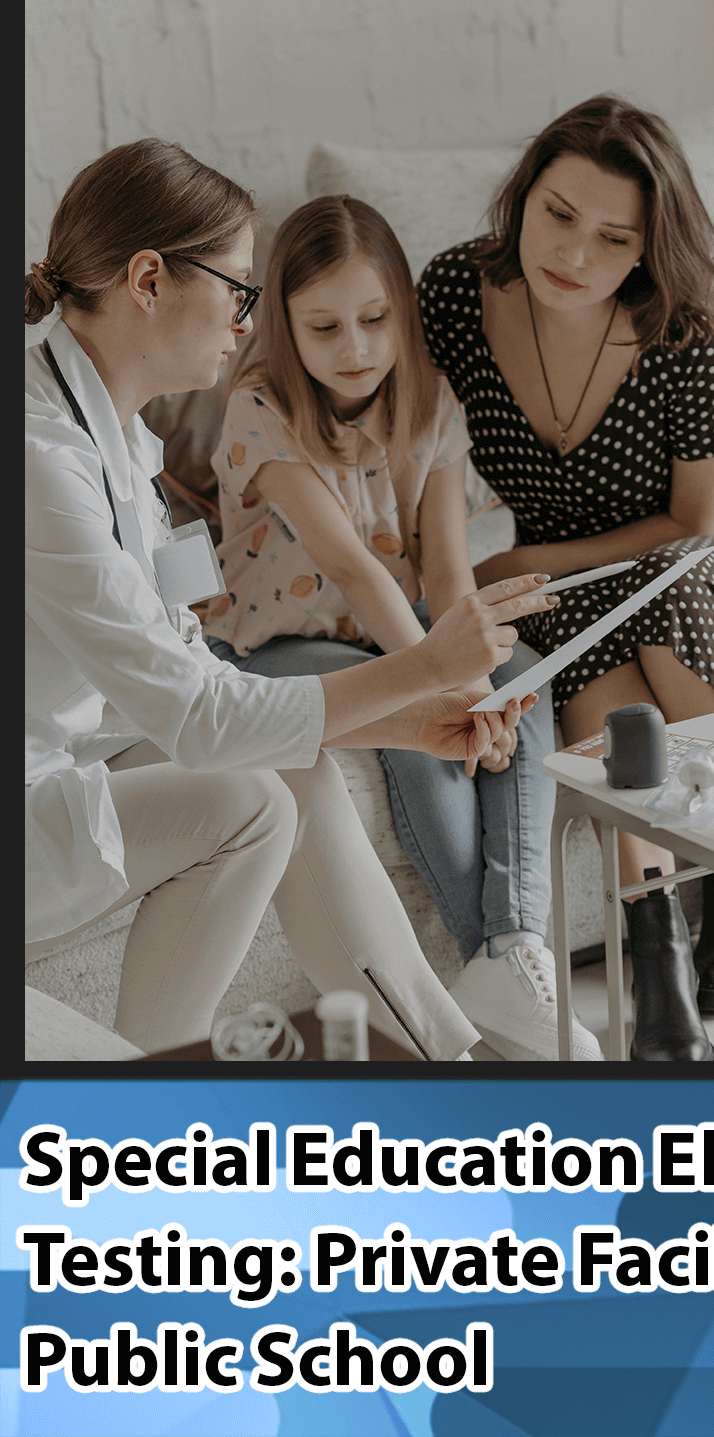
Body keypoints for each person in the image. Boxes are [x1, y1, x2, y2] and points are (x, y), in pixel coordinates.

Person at [25, 138, 559, 1060]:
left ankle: (450, 1059)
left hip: (76, 741)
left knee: (294, 774)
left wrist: (412, 718)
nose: (244, 320)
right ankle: (157, 1090)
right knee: (252, 805)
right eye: (239, 289)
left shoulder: (117, 428)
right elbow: (199, 715)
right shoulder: (43, 460)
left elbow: (188, 671)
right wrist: (426, 665)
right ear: (148, 279)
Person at [201, 194, 600, 1062]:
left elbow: (450, 572)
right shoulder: (259, 408)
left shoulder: (431, 403)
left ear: (403, 314)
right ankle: (479, 949)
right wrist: (443, 680)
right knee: (418, 724)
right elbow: (350, 565)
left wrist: (482, 680)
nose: (356, 349)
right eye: (325, 327)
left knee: (521, 674)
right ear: (285, 327)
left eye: (375, 320)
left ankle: (512, 945)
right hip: (280, 640)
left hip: (402, 619)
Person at [417, 95, 714, 1060]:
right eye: (557, 214)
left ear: (648, 247)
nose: (574, 254)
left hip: (670, 562)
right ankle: (666, 960)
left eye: (612, 236)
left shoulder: (688, 329)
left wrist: (516, 564)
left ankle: (704, 913)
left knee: (655, 605)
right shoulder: (454, 294)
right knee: (595, 677)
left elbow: (696, 522)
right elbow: (419, 461)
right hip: (560, 597)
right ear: (524, 196)